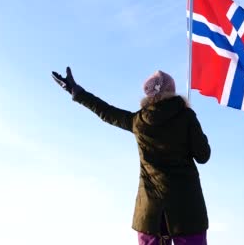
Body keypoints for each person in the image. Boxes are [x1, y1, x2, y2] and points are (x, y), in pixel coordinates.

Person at [52, 67, 210, 245]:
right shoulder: (187, 116)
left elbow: (106, 112)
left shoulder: (138, 121)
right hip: (188, 210)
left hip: (150, 213)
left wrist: (77, 91)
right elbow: (203, 156)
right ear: (172, 91)